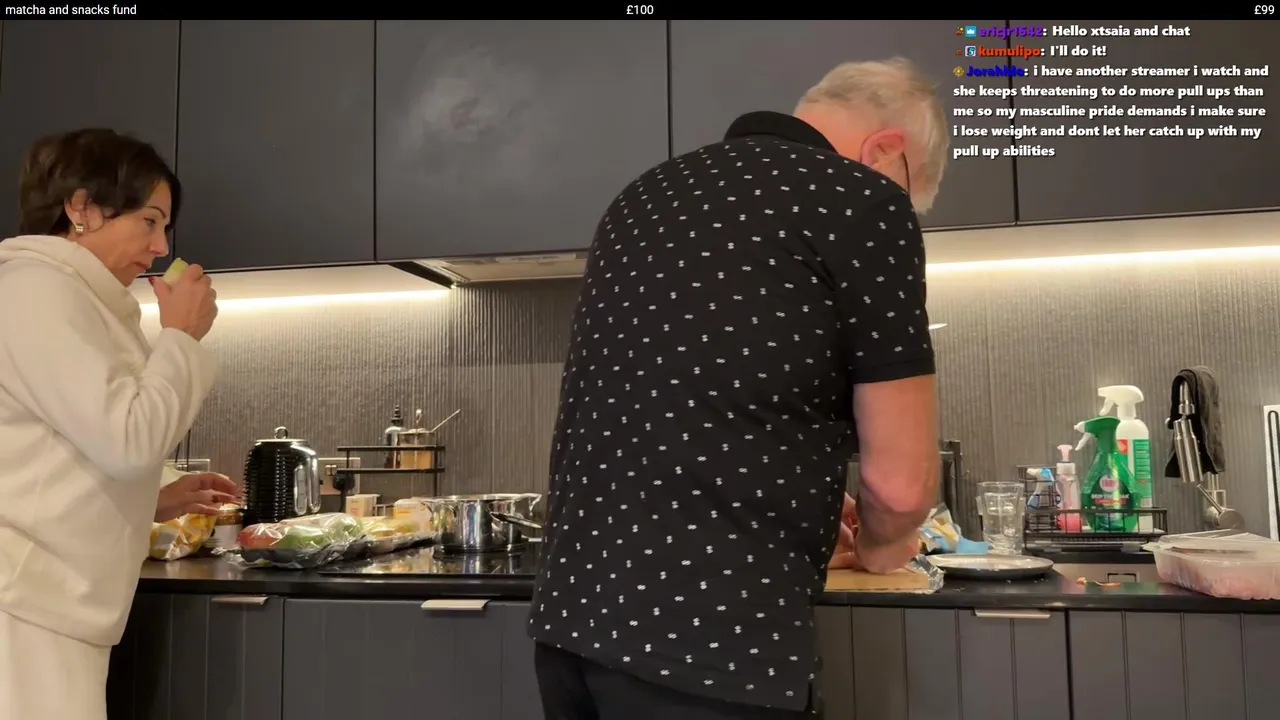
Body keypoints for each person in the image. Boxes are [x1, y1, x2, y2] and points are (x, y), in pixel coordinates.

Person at [529, 58, 948, 718]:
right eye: (910, 187)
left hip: (570, 628)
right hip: (712, 647)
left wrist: (806, 499)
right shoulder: (863, 198)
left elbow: (699, 407)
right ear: (886, 151)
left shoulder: (645, 194)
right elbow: (901, 488)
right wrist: (882, 544)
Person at [0, 128, 235, 720]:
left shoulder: (72, 296)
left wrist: (153, 499)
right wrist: (180, 336)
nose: (160, 247)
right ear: (80, 207)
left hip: (46, 597)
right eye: (149, 221)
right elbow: (129, 441)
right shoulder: (37, 291)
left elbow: (62, 449)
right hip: (26, 600)